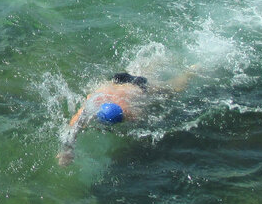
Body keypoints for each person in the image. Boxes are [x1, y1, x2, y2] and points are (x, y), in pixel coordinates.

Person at [57, 69, 192, 166]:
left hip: (127, 83)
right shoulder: (94, 105)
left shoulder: (122, 109)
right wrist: (66, 151)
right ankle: (168, 67)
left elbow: (73, 126)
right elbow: (74, 126)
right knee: (148, 71)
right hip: (127, 82)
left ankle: (190, 72)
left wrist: (66, 150)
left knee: (172, 91)